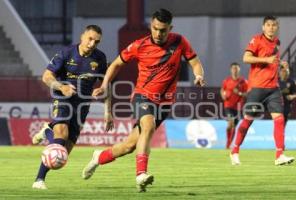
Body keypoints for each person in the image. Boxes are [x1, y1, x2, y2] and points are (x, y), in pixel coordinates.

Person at [81, 8, 205, 192]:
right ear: (151, 26)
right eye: (155, 28)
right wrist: (105, 84)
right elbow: (115, 64)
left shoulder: (180, 42)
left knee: (129, 146)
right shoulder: (139, 45)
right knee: (148, 125)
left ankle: (98, 157)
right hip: (142, 96)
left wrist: (199, 75)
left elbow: (195, 62)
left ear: (170, 28)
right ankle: (141, 174)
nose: (158, 33)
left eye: (163, 30)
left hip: (165, 103)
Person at [31, 25, 114, 189]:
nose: (92, 44)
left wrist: (108, 111)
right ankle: (39, 180)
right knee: (61, 134)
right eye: (90, 39)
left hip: (82, 106)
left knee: (63, 154)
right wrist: (61, 87)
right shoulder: (66, 53)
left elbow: (106, 85)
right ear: (82, 36)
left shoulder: (100, 58)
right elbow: (46, 76)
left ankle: (47, 130)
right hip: (62, 98)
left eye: (96, 42)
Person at [230, 16, 295, 166]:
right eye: (268, 25)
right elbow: (246, 58)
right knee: (248, 121)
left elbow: (272, 61)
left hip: (273, 89)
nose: (271, 28)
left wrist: (280, 63)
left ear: (277, 27)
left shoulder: (277, 43)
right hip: (257, 88)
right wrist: (267, 60)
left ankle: (279, 155)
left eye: (274, 25)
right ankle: (234, 151)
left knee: (279, 120)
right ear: (263, 27)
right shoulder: (256, 40)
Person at [220, 62, 248, 149]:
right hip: (228, 105)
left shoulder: (243, 82)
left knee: (234, 126)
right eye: (233, 68)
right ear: (231, 70)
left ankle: (229, 144)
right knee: (230, 124)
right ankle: (228, 144)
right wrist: (223, 95)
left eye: (236, 68)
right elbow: (222, 90)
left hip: (238, 107)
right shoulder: (226, 81)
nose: (235, 70)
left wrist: (239, 93)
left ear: (239, 70)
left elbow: (247, 94)